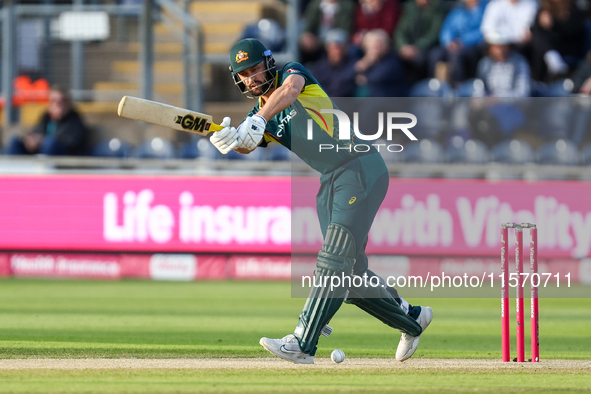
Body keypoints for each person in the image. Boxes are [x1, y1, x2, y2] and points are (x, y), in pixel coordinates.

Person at [209, 38, 433, 364]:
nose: (251, 79)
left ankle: (302, 341)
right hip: (330, 181)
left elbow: (289, 92)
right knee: (351, 277)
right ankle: (411, 319)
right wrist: (231, 138)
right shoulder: (261, 114)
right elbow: (248, 141)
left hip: (358, 166)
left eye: (255, 69)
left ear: (269, 63)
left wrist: (255, 121)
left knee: (333, 262)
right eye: (244, 74)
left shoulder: (291, 74)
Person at [6, 86, 88, 156]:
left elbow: (72, 141)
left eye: (63, 100)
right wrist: (31, 140)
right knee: (15, 142)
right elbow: (36, 132)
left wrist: (43, 140)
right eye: (54, 101)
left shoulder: (74, 118)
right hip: (40, 152)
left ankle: (44, 174)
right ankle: (10, 172)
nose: (58, 104)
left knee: (50, 143)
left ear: (69, 103)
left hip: (62, 155)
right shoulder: (46, 116)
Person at [430, 0, 489, 84]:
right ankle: (436, 85)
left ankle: (457, 85)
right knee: (435, 54)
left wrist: (463, 42)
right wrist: (448, 42)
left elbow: (483, 31)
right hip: (452, 44)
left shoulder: (484, 9)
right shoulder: (457, 9)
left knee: (455, 55)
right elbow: (447, 28)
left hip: (472, 46)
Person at [529, 0, 586, 81]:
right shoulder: (544, 7)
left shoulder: (573, 6)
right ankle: (551, 55)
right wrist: (543, 22)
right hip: (550, 46)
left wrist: (553, 24)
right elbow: (535, 29)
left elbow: (575, 29)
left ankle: (551, 56)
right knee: (538, 37)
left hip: (568, 46)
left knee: (541, 42)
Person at [394, 0, 447, 81]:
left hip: (428, 46)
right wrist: (403, 45)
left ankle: (431, 85)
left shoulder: (437, 8)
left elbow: (434, 33)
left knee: (428, 58)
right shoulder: (409, 7)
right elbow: (401, 31)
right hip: (408, 47)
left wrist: (417, 47)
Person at [354, 29, 408, 97]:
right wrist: (367, 61)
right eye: (374, 45)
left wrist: (366, 79)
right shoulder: (368, 60)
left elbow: (380, 77)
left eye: (380, 44)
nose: (377, 47)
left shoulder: (393, 59)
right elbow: (353, 74)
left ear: (387, 45)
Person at [477, 32, 531, 97]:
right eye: (497, 46)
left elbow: (523, 93)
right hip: (489, 104)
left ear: (509, 46)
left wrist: (499, 99)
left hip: (513, 104)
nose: (500, 50)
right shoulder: (484, 63)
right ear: (490, 47)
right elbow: (480, 88)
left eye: (503, 46)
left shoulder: (519, 62)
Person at [309, 29, 357, 97]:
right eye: (334, 48)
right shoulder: (320, 66)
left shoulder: (352, 65)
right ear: (327, 48)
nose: (337, 51)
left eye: (340, 48)